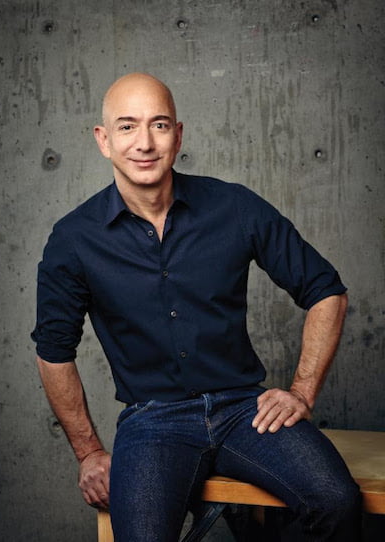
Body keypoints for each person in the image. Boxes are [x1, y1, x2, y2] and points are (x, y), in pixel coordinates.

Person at [32, 73, 361, 541]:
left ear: (178, 135)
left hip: (245, 411)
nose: (144, 142)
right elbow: (54, 351)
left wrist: (302, 392)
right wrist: (88, 453)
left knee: (336, 500)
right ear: (103, 140)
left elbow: (326, 290)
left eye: (159, 125)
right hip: (153, 421)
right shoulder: (73, 239)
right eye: (127, 126)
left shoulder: (234, 206)